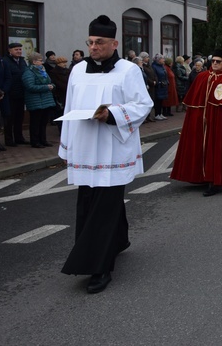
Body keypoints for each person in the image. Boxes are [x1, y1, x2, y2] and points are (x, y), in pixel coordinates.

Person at [60, 15, 153, 294]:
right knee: (91, 200)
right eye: (90, 42)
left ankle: (98, 266)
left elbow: (142, 104)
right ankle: (119, 240)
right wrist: (65, 147)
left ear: (114, 43)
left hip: (113, 146)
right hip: (85, 146)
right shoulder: (77, 70)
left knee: (104, 205)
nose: (93, 47)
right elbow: (69, 106)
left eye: (99, 42)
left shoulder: (128, 70)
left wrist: (111, 113)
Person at [171, 49, 222, 196]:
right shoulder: (202, 77)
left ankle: (215, 180)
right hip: (201, 122)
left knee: (217, 150)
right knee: (199, 148)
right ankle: (200, 176)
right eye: (213, 61)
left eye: (218, 62)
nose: (214, 64)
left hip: (220, 124)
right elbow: (194, 102)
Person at [22, 52, 56, 148]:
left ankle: (43, 140)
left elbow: (50, 82)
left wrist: (52, 86)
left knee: (43, 122)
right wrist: (46, 87)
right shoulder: (28, 72)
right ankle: (35, 141)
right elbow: (30, 86)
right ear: (34, 62)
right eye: (40, 60)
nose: (42, 62)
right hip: (35, 101)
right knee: (35, 123)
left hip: (45, 100)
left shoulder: (43, 71)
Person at [2, 42, 28, 146]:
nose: (19, 51)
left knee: (19, 117)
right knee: (9, 118)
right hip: (10, 94)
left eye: (20, 49)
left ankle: (19, 137)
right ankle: (9, 140)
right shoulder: (5, 61)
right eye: (16, 50)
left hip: (21, 94)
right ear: (10, 51)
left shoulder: (22, 61)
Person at [150, 54, 168, 120]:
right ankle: (157, 114)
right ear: (158, 60)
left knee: (161, 100)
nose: (163, 60)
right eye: (162, 59)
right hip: (158, 86)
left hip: (163, 85)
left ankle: (160, 113)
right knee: (157, 100)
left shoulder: (162, 66)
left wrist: (166, 81)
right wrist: (158, 82)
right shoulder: (154, 66)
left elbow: (165, 74)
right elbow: (155, 75)